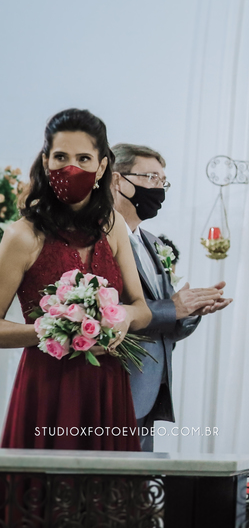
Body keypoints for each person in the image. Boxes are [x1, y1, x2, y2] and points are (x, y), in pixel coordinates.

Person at [0, 109, 152, 450]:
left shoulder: (112, 224)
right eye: (61, 157)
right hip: (47, 387)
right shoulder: (22, 236)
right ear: (45, 162)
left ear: (101, 166)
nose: (71, 168)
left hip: (108, 385)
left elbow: (141, 308)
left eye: (83, 158)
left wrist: (123, 317)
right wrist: (56, 330)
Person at [111, 143, 231, 451]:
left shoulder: (153, 243)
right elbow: (109, 313)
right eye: (151, 177)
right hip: (114, 383)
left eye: (163, 181)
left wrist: (191, 310)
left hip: (151, 386)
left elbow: (166, 318)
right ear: (116, 180)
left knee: (138, 479)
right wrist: (172, 308)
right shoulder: (99, 239)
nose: (159, 188)